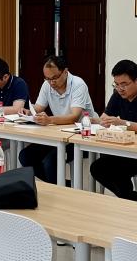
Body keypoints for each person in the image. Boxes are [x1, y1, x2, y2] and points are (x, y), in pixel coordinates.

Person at [89, 60, 137, 201]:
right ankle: (134, 200)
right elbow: (104, 118)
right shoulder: (117, 96)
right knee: (98, 167)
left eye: (124, 84)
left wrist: (123, 123)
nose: (120, 89)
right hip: (125, 150)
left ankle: (134, 201)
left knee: (112, 169)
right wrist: (96, 121)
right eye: (116, 84)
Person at [18, 55, 98, 184]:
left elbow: (74, 116)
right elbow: (39, 107)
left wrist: (49, 120)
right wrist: (28, 110)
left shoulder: (78, 84)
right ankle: (62, 186)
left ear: (65, 72)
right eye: (47, 78)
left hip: (81, 136)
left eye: (54, 78)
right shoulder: (47, 84)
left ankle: (59, 188)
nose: (51, 82)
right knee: (25, 156)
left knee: (50, 162)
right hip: (59, 134)